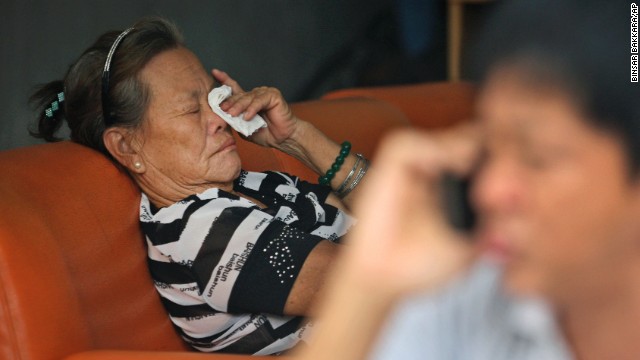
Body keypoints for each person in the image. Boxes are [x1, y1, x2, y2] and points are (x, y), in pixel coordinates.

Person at [300, 0, 640, 359]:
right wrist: (367, 286)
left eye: (538, 159)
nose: (488, 191)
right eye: (488, 152)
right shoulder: (468, 294)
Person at [29, 17, 369, 355]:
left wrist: (297, 137)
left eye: (214, 99)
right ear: (127, 147)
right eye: (192, 110)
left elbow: (400, 228)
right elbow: (390, 277)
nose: (220, 119)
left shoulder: (253, 185)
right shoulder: (202, 232)